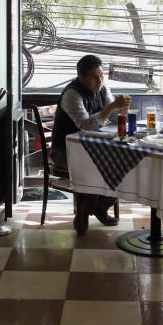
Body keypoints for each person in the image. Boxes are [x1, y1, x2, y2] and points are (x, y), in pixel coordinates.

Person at [50, 54, 130, 228]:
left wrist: (123, 109)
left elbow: (115, 118)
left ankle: (93, 209)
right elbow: (85, 125)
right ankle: (88, 212)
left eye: (101, 75)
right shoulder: (72, 93)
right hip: (64, 150)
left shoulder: (102, 88)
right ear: (81, 77)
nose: (99, 80)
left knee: (126, 165)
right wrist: (112, 107)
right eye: (95, 77)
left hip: (94, 148)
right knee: (97, 167)